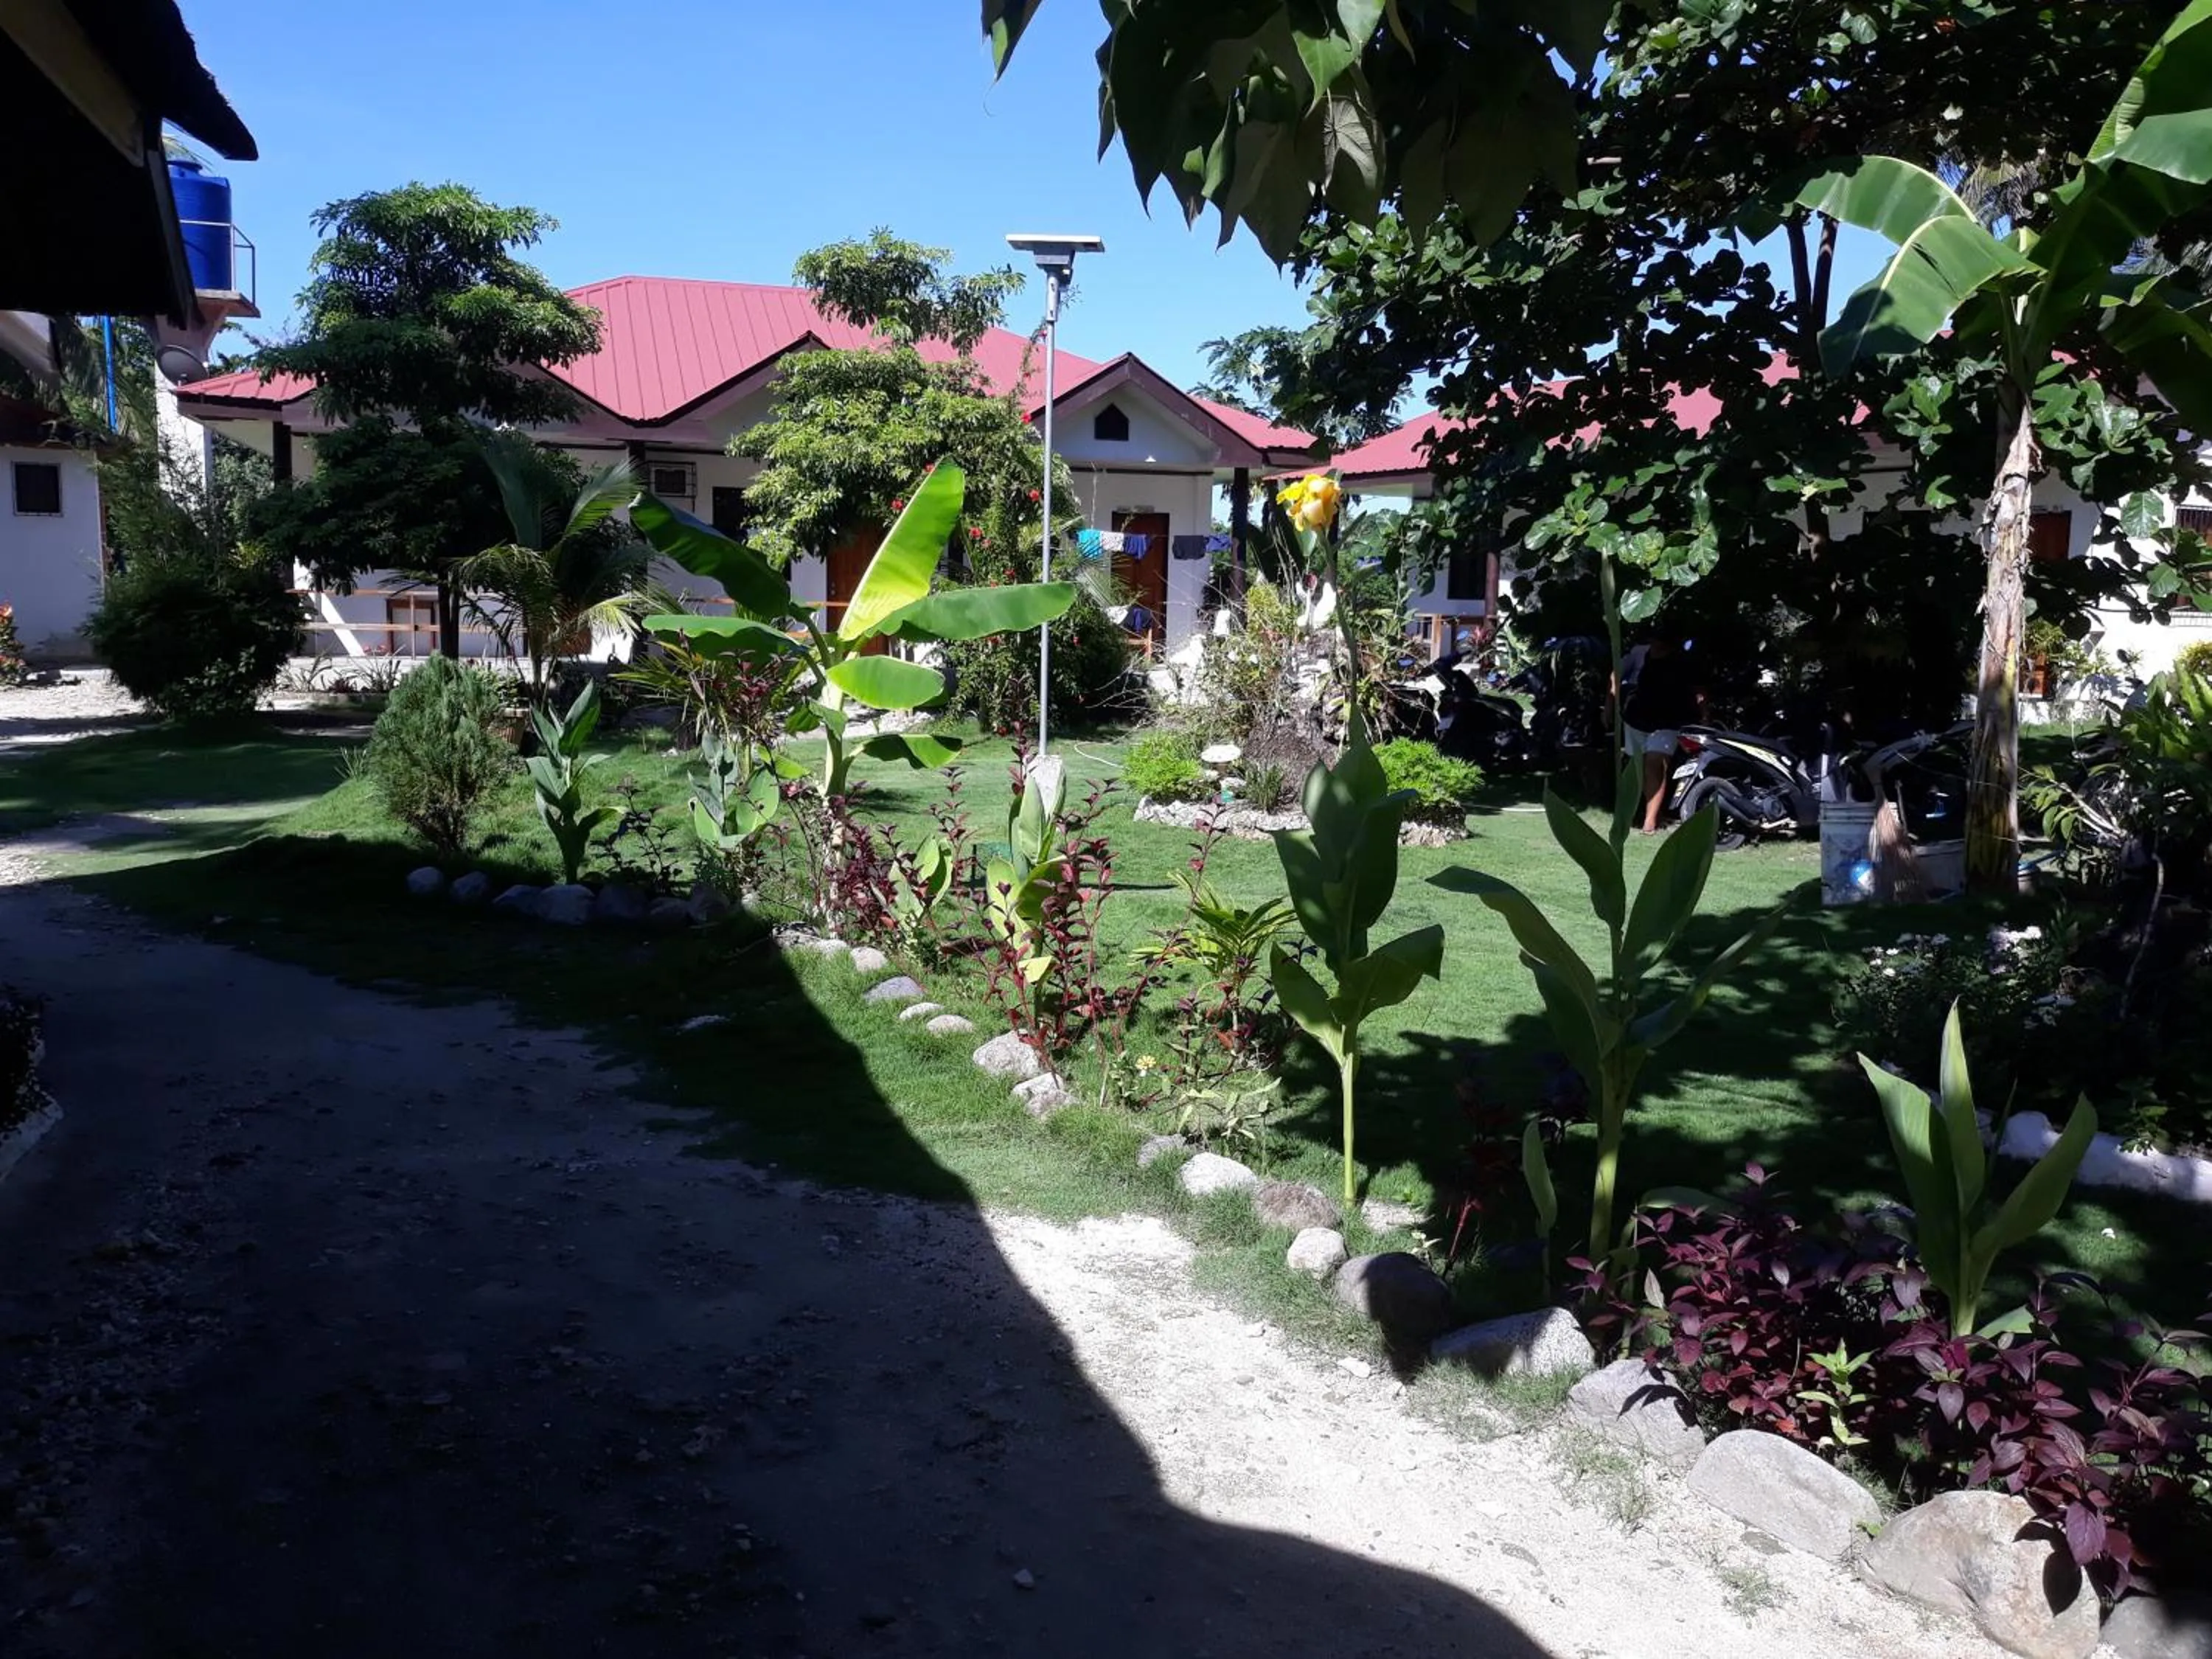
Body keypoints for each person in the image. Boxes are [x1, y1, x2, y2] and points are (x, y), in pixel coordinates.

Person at [1619, 634, 1702, 832]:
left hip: (1668, 722)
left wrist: (1703, 714)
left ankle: (1650, 821)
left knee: (1654, 765)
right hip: (1637, 720)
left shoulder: (1682, 662)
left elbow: (1698, 690)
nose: (1657, 646)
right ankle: (1638, 812)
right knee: (1636, 769)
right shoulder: (1640, 654)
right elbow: (1617, 675)